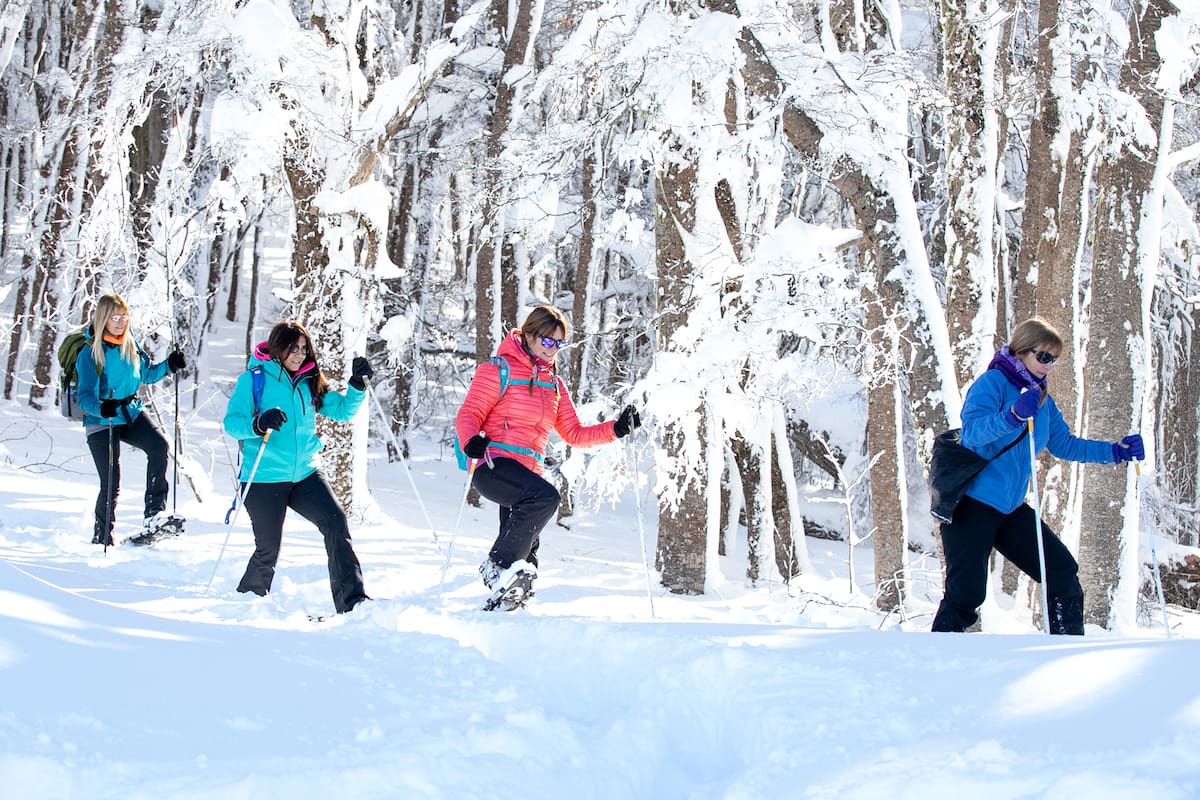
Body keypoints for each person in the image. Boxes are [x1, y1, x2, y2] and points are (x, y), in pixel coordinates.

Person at [931, 316, 1145, 635]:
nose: (1048, 365)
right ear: (1021, 351)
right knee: (965, 595)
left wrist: (1116, 451)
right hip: (973, 504)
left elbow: (1065, 444)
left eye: (1053, 359)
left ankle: (1065, 651)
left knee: (1061, 572)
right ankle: (936, 661)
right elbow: (973, 433)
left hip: (1011, 508)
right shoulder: (991, 385)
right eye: (1043, 356)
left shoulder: (1042, 399)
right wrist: (1013, 415)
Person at [455, 304, 641, 610]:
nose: (552, 349)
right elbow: (470, 412)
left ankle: (507, 609)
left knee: (526, 558)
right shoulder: (497, 369)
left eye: (559, 343)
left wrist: (617, 429)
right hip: (493, 464)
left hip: (526, 476)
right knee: (545, 500)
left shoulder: (553, 385)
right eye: (547, 341)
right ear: (528, 336)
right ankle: (496, 566)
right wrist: (470, 440)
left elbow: (574, 433)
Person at [223, 321, 374, 614]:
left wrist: (357, 386)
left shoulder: (309, 380)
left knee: (336, 524)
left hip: (305, 473)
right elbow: (232, 424)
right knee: (268, 549)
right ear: (278, 348)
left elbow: (341, 411)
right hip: (265, 477)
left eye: (304, 349)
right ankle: (247, 605)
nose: (299, 354)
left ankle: (352, 603)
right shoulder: (254, 380)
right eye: (293, 348)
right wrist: (259, 423)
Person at [75, 293, 187, 546]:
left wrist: (169, 365)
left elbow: (146, 374)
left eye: (124, 316)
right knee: (111, 481)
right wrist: (102, 407)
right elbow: (84, 396)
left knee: (160, 447)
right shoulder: (91, 352)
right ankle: (102, 537)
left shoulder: (130, 344)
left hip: (131, 412)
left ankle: (154, 515)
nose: (120, 322)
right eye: (115, 317)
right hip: (102, 421)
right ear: (103, 318)